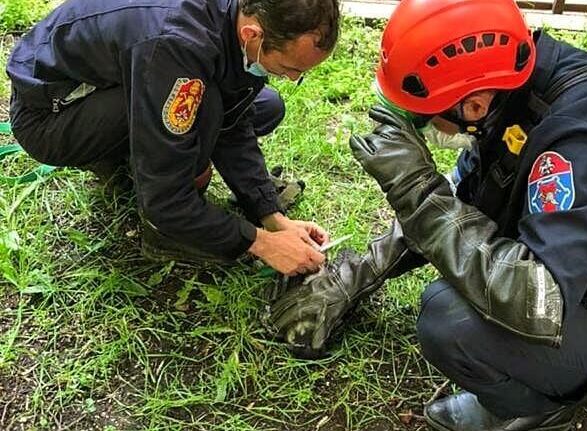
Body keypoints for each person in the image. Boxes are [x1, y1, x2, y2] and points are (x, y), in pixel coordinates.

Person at [270, 0, 587, 430]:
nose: (424, 128)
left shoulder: (578, 140)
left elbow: (538, 303)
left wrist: (416, 190)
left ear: (471, 105)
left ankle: (537, 409)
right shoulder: (513, 85)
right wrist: (352, 277)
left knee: (447, 318)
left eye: (426, 118)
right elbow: (466, 196)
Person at [6, 0, 341, 274]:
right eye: (291, 67)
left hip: (109, 80)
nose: (294, 76)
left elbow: (235, 118)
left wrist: (271, 215)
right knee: (200, 102)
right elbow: (165, 200)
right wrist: (261, 242)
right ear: (252, 34)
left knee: (264, 106)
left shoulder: (241, 16)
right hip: (52, 117)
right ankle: (163, 236)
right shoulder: (177, 43)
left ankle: (120, 157)